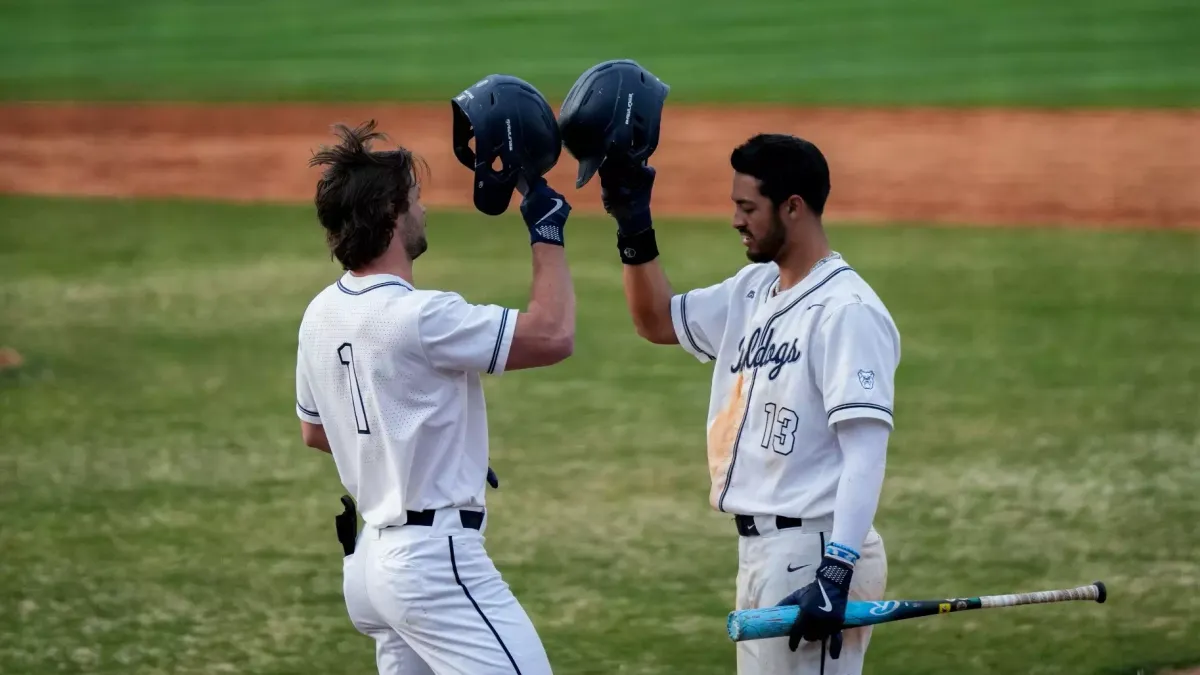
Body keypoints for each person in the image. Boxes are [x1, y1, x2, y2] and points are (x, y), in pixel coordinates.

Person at [601, 132, 898, 675]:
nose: (736, 220)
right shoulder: (754, 289)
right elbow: (656, 320)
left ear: (793, 207)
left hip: (818, 551)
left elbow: (865, 452)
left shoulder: (846, 310)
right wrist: (633, 226)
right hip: (765, 552)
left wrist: (837, 572)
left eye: (747, 208)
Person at [294, 116, 573, 674]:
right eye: (415, 199)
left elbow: (317, 432)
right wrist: (547, 233)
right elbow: (552, 334)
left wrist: (430, 443)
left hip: (374, 564)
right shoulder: (421, 315)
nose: (423, 210)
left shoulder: (319, 314)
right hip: (432, 565)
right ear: (392, 216)